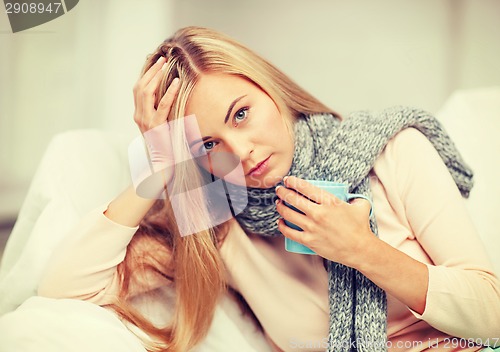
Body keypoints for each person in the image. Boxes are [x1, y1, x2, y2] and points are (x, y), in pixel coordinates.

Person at [37, 26, 500, 352]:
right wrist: (156, 163)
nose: (239, 152)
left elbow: (492, 313)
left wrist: (363, 250)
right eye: (209, 144)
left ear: (270, 90)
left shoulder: (392, 151)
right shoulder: (217, 228)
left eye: (241, 113)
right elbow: (62, 289)